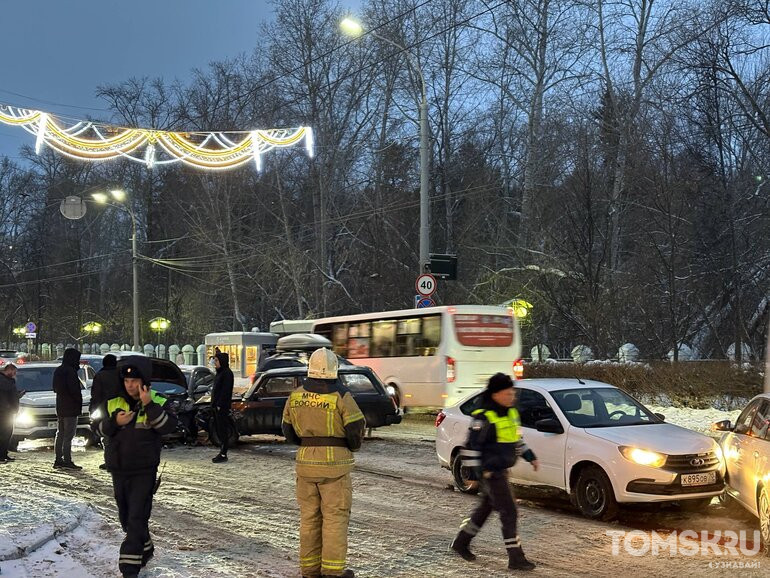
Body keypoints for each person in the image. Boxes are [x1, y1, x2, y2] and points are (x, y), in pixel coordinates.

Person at [281, 347, 366, 578]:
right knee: (335, 520)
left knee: (309, 519)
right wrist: (351, 447)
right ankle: (332, 572)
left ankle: (309, 570)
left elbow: (287, 432)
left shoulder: (296, 395)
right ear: (334, 370)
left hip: (306, 465)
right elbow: (356, 430)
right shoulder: (341, 396)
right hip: (335, 469)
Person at [94, 356, 177, 578]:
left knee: (136, 517)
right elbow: (97, 429)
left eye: (134, 380)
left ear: (144, 381)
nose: (130, 385)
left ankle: (129, 569)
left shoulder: (158, 400)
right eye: (127, 380)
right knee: (126, 518)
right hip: (118, 469)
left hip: (144, 469)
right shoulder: (112, 402)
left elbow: (168, 427)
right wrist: (114, 423)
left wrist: (148, 404)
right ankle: (145, 546)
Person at [450, 372, 539, 571]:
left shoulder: (510, 413)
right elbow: (471, 448)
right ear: (496, 394)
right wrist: (475, 475)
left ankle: (461, 542)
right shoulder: (484, 417)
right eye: (507, 394)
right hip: (491, 473)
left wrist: (529, 455)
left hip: (501, 470)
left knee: (485, 509)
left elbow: (515, 440)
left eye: (512, 393)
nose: (511, 397)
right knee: (509, 511)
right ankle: (515, 557)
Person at [52, 347, 82, 470]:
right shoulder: (71, 371)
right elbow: (75, 390)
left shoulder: (58, 370)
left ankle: (58, 459)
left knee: (60, 433)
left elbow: (55, 388)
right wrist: (78, 402)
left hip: (60, 406)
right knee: (68, 436)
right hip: (71, 407)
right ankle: (67, 460)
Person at [90, 354, 121, 469]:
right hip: (121, 408)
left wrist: (93, 408)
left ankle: (109, 461)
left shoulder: (100, 376)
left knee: (107, 436)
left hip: (104, 409)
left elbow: (96, 394)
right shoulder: (120, 374)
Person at [210, 351, 234, 463]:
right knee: (219, 430)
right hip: (217, 406)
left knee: (223, 430)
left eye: (216, 360)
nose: (215, 362)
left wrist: (220, 404)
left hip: (222, 407)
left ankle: (223, 453)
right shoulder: (220, 373)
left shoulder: (227, 373)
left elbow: (225, 391)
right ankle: (222, 451)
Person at [0, 363, 24, 463]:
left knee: (8, 434)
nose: (14, 374)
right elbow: (7, 393)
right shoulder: (4, 381)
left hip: (8, 411)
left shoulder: (7, 381)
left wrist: (18, 395)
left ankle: (4, 454)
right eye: (14, 372)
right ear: (8, 370)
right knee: (4, 434)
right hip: (3, 412)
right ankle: (1, 455)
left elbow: (11, 396)